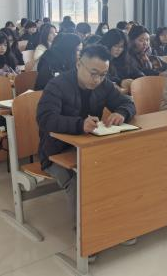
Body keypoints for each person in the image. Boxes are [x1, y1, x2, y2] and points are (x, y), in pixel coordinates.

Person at [37, 44, 136, 228]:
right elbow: (46, 119)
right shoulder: (57, 85)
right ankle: (86, 234)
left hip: (89, 147)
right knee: (79, 181)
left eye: (103, 74)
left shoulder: (104, 85)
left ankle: (115, 223)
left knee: (117, 169)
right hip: (56, 151)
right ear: (78, 64)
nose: (98, 79)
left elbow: (128, 103)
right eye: (93, 73)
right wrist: (79, 124)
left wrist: (121, 112)